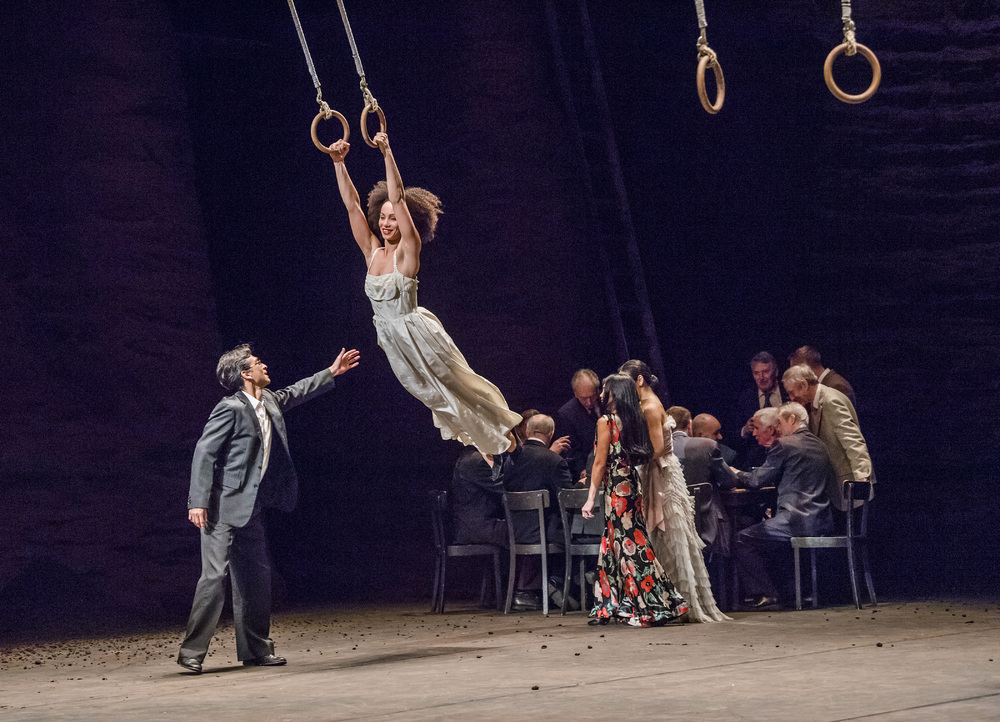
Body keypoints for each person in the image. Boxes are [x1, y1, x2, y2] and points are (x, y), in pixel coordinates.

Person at [328, 132, 520, 455]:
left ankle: (504, 444)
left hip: (419, 334)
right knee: (436, 400)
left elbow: (399, 198)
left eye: (393, 218)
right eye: (383, 217)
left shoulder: (408, 252)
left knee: (459, 388)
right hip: (393, 341)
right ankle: (490, 449)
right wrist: (338, 163)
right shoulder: (372, 252)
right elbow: (351, 206)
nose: (387, 223)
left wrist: (387, 152)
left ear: (406, 223)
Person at [177, 343, 360, 674]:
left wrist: (332, 372)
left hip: (251, 507)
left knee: (257, 581)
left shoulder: (270, 401)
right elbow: (204, 452)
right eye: (258, 362)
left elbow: (296, 392)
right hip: (221, 508)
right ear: (245, 373)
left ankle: (257, 649)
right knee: (214, 578)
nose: (264, 365)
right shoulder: (229, 408)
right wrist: (198, 501)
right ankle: (191, 652)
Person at [620, 361, 728, 623]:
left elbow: (656, 448)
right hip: (662, 473)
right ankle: (669, 601)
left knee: (665, 534)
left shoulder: (649, 406)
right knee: (665, 536)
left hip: (659, 474)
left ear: (640, 381)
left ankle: (670, 603)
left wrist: (626, 459)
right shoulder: (651, 403)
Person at [581, 374, 688, 626]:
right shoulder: (635, 421)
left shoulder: (606, 422)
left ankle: (657, 605)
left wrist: (589, 497)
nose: (600, 394)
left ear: (614, 393)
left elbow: (599, 461)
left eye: (605, 389)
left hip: (617, 488)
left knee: (630, 545)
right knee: (616, 543)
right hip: (631, 483)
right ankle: (611, 605)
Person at [733, 402, 835, 609]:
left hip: (796, 521)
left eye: (779, 422)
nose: (777, 428)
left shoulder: (785, 444)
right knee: (766, 535)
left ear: (792, 420)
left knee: (742, 539)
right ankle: (791, 591)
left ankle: (767, 594)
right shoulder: (820, 444)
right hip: (822, 520)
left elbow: (755, 481)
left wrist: (735, 473)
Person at [782, 364, 873, 512]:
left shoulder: (831, 401)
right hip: (836, 488)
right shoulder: (816, 402)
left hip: (850, 487)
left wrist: (862, 478)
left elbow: (853, 441)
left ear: (804, 385)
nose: (792, 398)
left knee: (853, 533)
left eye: (792, 393)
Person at [668, 406, 739, 558]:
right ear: (690, 425)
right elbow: (729, 481)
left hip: (670, 529)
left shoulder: (656, 450)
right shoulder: (706, 446)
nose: (719, 437)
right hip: (707, 528)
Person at [554, 369, 602, 482]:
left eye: (592, 396)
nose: (589, 402)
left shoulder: (607, 403)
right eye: (583, 398)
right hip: (585, 467)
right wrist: (582, 469)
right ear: (575, 394)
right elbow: (572, 449)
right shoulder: (566, 414)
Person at [788, 345, 857, 409]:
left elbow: (842, 420)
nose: (796, 377)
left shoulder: (837, 386)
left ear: (806, 368)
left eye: (795, 372)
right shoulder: (820, 385)